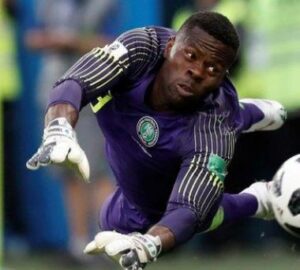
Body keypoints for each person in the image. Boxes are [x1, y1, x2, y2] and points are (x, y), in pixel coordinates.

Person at [26, 11, 286, 269]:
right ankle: (245, 116)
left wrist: (149, 245)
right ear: (170, 46)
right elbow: (77, 79)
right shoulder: (143, 48)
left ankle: (257, 196)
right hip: (125, 131)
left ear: (221, 79)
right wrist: (58, 128)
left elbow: (189, 210)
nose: (196, 71)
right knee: (114, 220)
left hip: (171, 159)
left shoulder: (215, 128)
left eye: (212, 68)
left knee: (184, 210)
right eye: (191, 56)